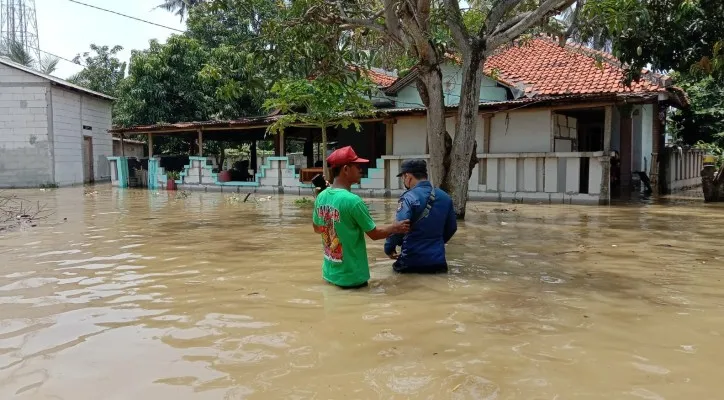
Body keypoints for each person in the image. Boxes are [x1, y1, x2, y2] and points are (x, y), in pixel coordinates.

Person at [312, 146, 410, 289]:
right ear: (345, 169)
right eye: (357, 166)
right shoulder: (353, 201)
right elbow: (375, 234)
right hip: (352, 278)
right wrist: (396, 227)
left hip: (329, 274)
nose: (360, 170)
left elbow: (317, 229)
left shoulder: (321, 197)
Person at [384, 159, 457, 273]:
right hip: (438, 263)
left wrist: (389, 248)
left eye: (403, 177)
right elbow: (452, 227)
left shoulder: (408, 197)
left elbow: (400, 227)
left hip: (411, 261)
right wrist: (435, 244)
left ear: (408, 176)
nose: (403, 181)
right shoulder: (445, 197)